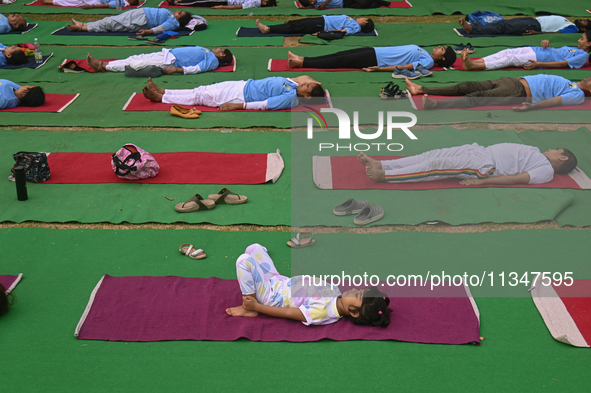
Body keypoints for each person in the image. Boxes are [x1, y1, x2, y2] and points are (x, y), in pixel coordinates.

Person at [225, 243, 392, 327]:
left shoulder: (324, 311)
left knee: (243, 261)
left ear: (354, 313)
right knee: (253, 248)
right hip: (278, 281)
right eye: (360, 289)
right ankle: (257, 272)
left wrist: (257, 306)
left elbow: (290, 313)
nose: (355, 289)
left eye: (358, 294)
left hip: (271, 296)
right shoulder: (336, 293)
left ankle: (248, 307)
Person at [358, 145, 578, 186]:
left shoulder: (546, 170)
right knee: (430, 154)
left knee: (435, 165)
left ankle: (385, 176)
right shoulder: (536, 151)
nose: (552, 148)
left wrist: (482, 182)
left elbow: (517, 179)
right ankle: (382, 164)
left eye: (557, 149)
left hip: (484, 164)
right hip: (478, 150)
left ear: (563, 158)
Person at [405, 74, 591, 110]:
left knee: (476, 98)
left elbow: (555, 101)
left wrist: (532, 107)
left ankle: (436, 104)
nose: (589, 78)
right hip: (511, 82)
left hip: (519, 92)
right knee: (466, 86)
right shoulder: (571, 83)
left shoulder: (577, 95)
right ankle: (420, 88)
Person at [142, 75, 325, 111]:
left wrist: (237, 106)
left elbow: (264, 105)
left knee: (201, 97)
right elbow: (307, 78)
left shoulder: (290, 99)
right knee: (201, 90)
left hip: (240, 96)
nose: (305, 83)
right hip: (242, 85)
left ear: (306, 96)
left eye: (307, 86)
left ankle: (162, 98)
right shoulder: (295, 86)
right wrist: (315, 86)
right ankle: (166, 91)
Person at [287, 45, 456, 76]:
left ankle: (302, 63)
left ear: (442, 58)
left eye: (443, 49)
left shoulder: (429, 62)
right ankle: (303, 59)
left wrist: (379, 69)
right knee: (339, 54)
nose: (440, 46)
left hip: (376, 59)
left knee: (340, 60)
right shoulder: (425, 52)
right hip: (375, 50)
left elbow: (406, 67)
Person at [462, 33, 591, 71]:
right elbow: (555, 52)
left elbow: (562, 63)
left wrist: (538, 64)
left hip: (539, 57)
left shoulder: (583, 55)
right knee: (507, 52)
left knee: (510, 59)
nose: (579, 40)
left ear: (589, 44)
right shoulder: (574, 48)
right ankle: (474, 62)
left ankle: (473, 66)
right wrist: (545, 43)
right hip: (536, 49)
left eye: (582, 39)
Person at [86, 46, 233, 74]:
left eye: (220, 50)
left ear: (221, 55)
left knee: (137, 64)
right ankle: (106, 64)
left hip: (171, 62)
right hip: (167, 53)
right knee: (136, 57)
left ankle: (102, 67)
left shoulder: (212, 60)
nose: (218, 48)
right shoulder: (208, 52)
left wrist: (175, 69)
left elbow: (197, 69)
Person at [66, 8, 192, 36]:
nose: (177, 11)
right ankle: (83, 25)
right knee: (110, 20)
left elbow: (161, 28)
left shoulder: (173, 23)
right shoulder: (171, 15)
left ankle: (81, 28)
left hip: (141, 20)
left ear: (179, 19)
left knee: (112, 24)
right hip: (139, 13)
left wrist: (148, 31)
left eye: (179, 13)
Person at [459, 15, 583, 36]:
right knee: (503, 23)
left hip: (535, 26)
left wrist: (538, 33)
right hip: (533, 20)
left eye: (585, 21)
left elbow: (558, 34)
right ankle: (476, 27)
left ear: (583, 29)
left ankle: (472, 29)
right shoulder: (570, 22)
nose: (582, 19)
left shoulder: (573, 28)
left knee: (503, 28)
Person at [255, 16, 374, 36]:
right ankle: (270, 28)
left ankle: (268, 29)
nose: (361, 17)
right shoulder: (354, 22)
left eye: (364, 18)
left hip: (321, 25)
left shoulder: (356, 27)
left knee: (294, 27)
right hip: (321, 20)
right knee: (294, 24)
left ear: (365, 22)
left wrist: (323, 33)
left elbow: (342, 31)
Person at [166, 0, 276, 8]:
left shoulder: (256, 3)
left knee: (202, 2)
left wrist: (222, 6)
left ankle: (178, 3)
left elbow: (238, 6)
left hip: (225, 1)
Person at [298, 0, 389, 10]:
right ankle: (377, 4)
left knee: (363, 3)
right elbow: (303, 7)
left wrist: (325, 2)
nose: (312, 3)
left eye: (311, 1)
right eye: (310, 3)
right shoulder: (314, 4)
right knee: (363, 6)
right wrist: (303, 7)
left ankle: (381, 1)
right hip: (344, 4)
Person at [40, 0, 138, 8]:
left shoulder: (124, 2)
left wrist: (92, 6)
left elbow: (107, 5)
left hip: (96, 1)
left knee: (75, 2)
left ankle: (49, 1)